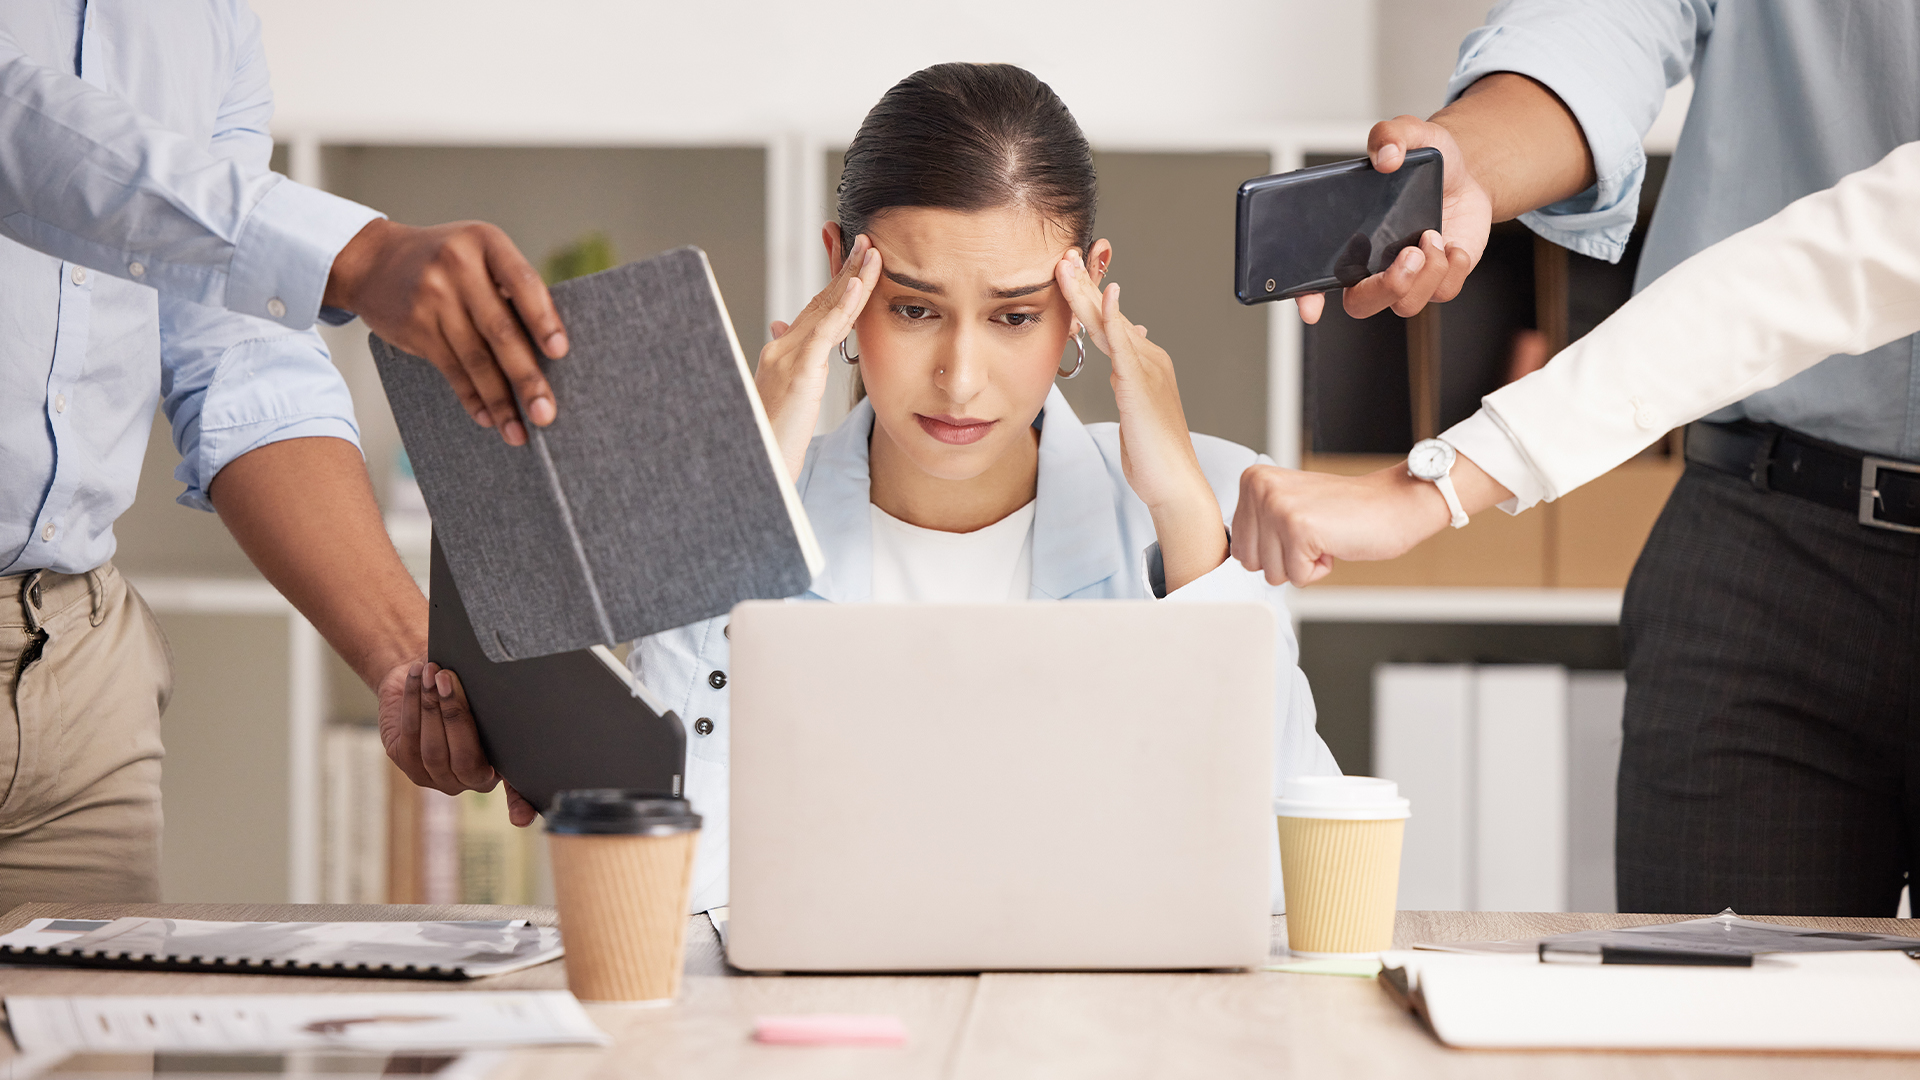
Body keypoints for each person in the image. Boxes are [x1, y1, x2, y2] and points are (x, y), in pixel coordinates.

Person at [1235, 1, 1920, 916]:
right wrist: (1467, 157)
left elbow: (1849, 261)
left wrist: (1436, 485)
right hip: (1766, 529)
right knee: (1712, 1035)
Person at [618, 62, 1339, 914]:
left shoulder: (1209, 500)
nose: (959, 380)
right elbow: (657, 886)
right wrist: (748, 504)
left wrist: (1184, 515)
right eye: (914, 309)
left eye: (1014, 316)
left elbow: (1287, 888)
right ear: (839, 283)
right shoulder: (728, 526)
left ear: (1083, 293)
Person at [0, 1, 553, 908]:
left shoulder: (208, 17)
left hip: (78, 686)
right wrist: (357, 254)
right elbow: (23, 133)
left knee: (90, 1044)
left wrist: (417, 666)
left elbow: (233, 348)